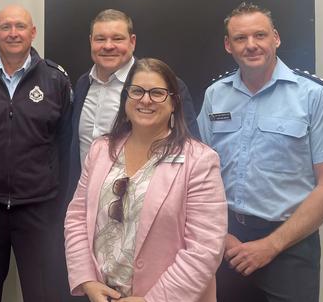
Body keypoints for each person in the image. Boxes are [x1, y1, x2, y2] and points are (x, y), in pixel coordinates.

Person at [197, 2, 323, 302]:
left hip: (289, 246)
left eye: (260, 35)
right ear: (228, 45)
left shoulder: (313, 95)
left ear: (276, 38)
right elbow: (198, 175)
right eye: (240, 38)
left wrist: (270, 246)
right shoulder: (215, 95)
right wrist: (221, 235)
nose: (251, 45)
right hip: (225, 241)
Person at [65, 58, 227, 302]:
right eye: (137, 91)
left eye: (157, 93)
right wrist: (87, 280)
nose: (146, 100)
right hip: (103, 295)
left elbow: (204, 249)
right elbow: (77, 217)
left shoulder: (200, 161)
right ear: (126, 98)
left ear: (174, 102)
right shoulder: (101, 150)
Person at [0, 5, 72, 301]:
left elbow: (65, 146)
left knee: (44, 293)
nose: (13, 33)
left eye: (20, 26)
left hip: (39, 209)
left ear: (33, 32)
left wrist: (59, 199)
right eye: (6, 27)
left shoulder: (55, 80)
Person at [69, 9, 200, 204]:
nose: (108, 46)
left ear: (132, 42)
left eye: (117, 38)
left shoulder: (165, 86)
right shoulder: (82, 84)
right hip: (85, 200)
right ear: (90, 41)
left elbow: (190, 149)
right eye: (100, 39)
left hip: (143, 206)